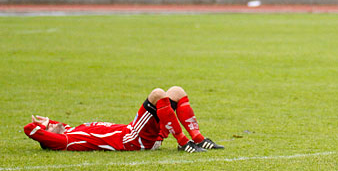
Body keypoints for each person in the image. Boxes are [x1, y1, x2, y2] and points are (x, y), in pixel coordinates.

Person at [24, 86, 223, 152]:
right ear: (47, 137)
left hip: (136, 133)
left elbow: (60, 126)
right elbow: (30, 130)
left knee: (176, 92)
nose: (50, 123)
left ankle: (199, 139)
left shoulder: (69, 130)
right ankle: (183, 142)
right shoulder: (66, 140)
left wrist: (49, 123)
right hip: (133, 139)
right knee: (157, 94)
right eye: (48, 126)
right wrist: (38, 127)